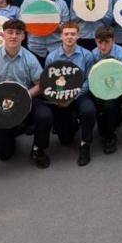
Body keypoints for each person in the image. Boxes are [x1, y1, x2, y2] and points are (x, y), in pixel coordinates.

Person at [0, 19, 54, 167]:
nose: (14, 36)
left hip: (24, 97)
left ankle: (38, 149)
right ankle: (14, 130)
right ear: (3, 35)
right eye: (10, 32)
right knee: (5, 155)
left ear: (23, 37)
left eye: (18, 33)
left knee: (45, 115)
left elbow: (40, 84)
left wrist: (25, 95)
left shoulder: (30, 58)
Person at [44, 22, 97, 166]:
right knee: (65, 141)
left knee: (89, 110)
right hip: (60, 98)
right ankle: (73, 124)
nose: (69, 37)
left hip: (79, 94)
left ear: (78, 35)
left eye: (73, 34)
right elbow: (48, 82)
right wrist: (60, 98)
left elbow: (89, 80)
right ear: (61, 36)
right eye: (66, 34)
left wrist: (73, 95)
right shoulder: (52, 57)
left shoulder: (87, 55)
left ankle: (85, 144)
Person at [91, 25, 122, 154]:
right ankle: (109, 124)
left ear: (114, 40)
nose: (102, 47)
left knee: (109, 105)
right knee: (98, 110)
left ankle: (111, 137)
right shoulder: (93, 54)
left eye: (107, 42)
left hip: (118, 88)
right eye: (99, 42)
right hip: (100, 87)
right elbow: (93, 78)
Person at [22, 0, 70, 66]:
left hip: (56, 48)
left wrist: (53, 27)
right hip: (35, 48)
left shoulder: (62, 4)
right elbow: (22, 25)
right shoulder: (28, 2)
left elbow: (65, 27)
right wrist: (39, 26)